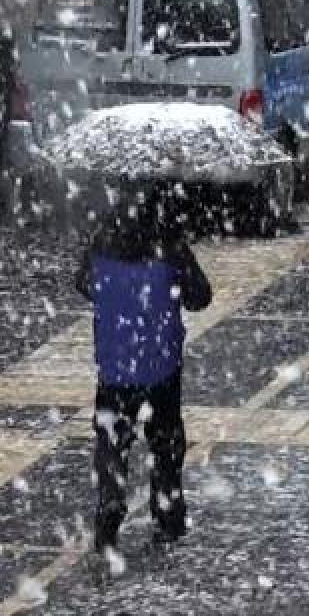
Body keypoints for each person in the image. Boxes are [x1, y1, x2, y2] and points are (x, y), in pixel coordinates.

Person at [74, 182, 212, 552]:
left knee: (111, 441)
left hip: (115, 362)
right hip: (161, 364)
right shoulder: (170, 245)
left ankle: (110, 505)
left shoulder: (102, 239)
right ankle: (168, 513)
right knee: (166, 441)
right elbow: (202, 297)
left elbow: (84, 285)